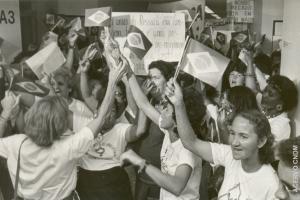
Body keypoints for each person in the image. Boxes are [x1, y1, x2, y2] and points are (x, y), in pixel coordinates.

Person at [0, 62, 126, 200]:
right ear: (60, 127)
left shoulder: (17, 143)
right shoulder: (66, 148)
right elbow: (101, 118)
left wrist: (5, 114)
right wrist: (112, 82)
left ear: (31, 118)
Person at [165, 79, 280, 200]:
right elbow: (191, 142)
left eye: (243, 136)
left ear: (261, 141)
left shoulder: (271, 184)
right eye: (232, 133)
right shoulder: (229, 156)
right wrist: (178, 104)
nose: (234, 142)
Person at [124, 57, 205, 200]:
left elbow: (176, 186)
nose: (162, 112)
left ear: (177, 119)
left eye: (166, 109)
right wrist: (127, 68)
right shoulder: (169, 131)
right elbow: (143, 103)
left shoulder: (189, 148)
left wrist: (140, 162)